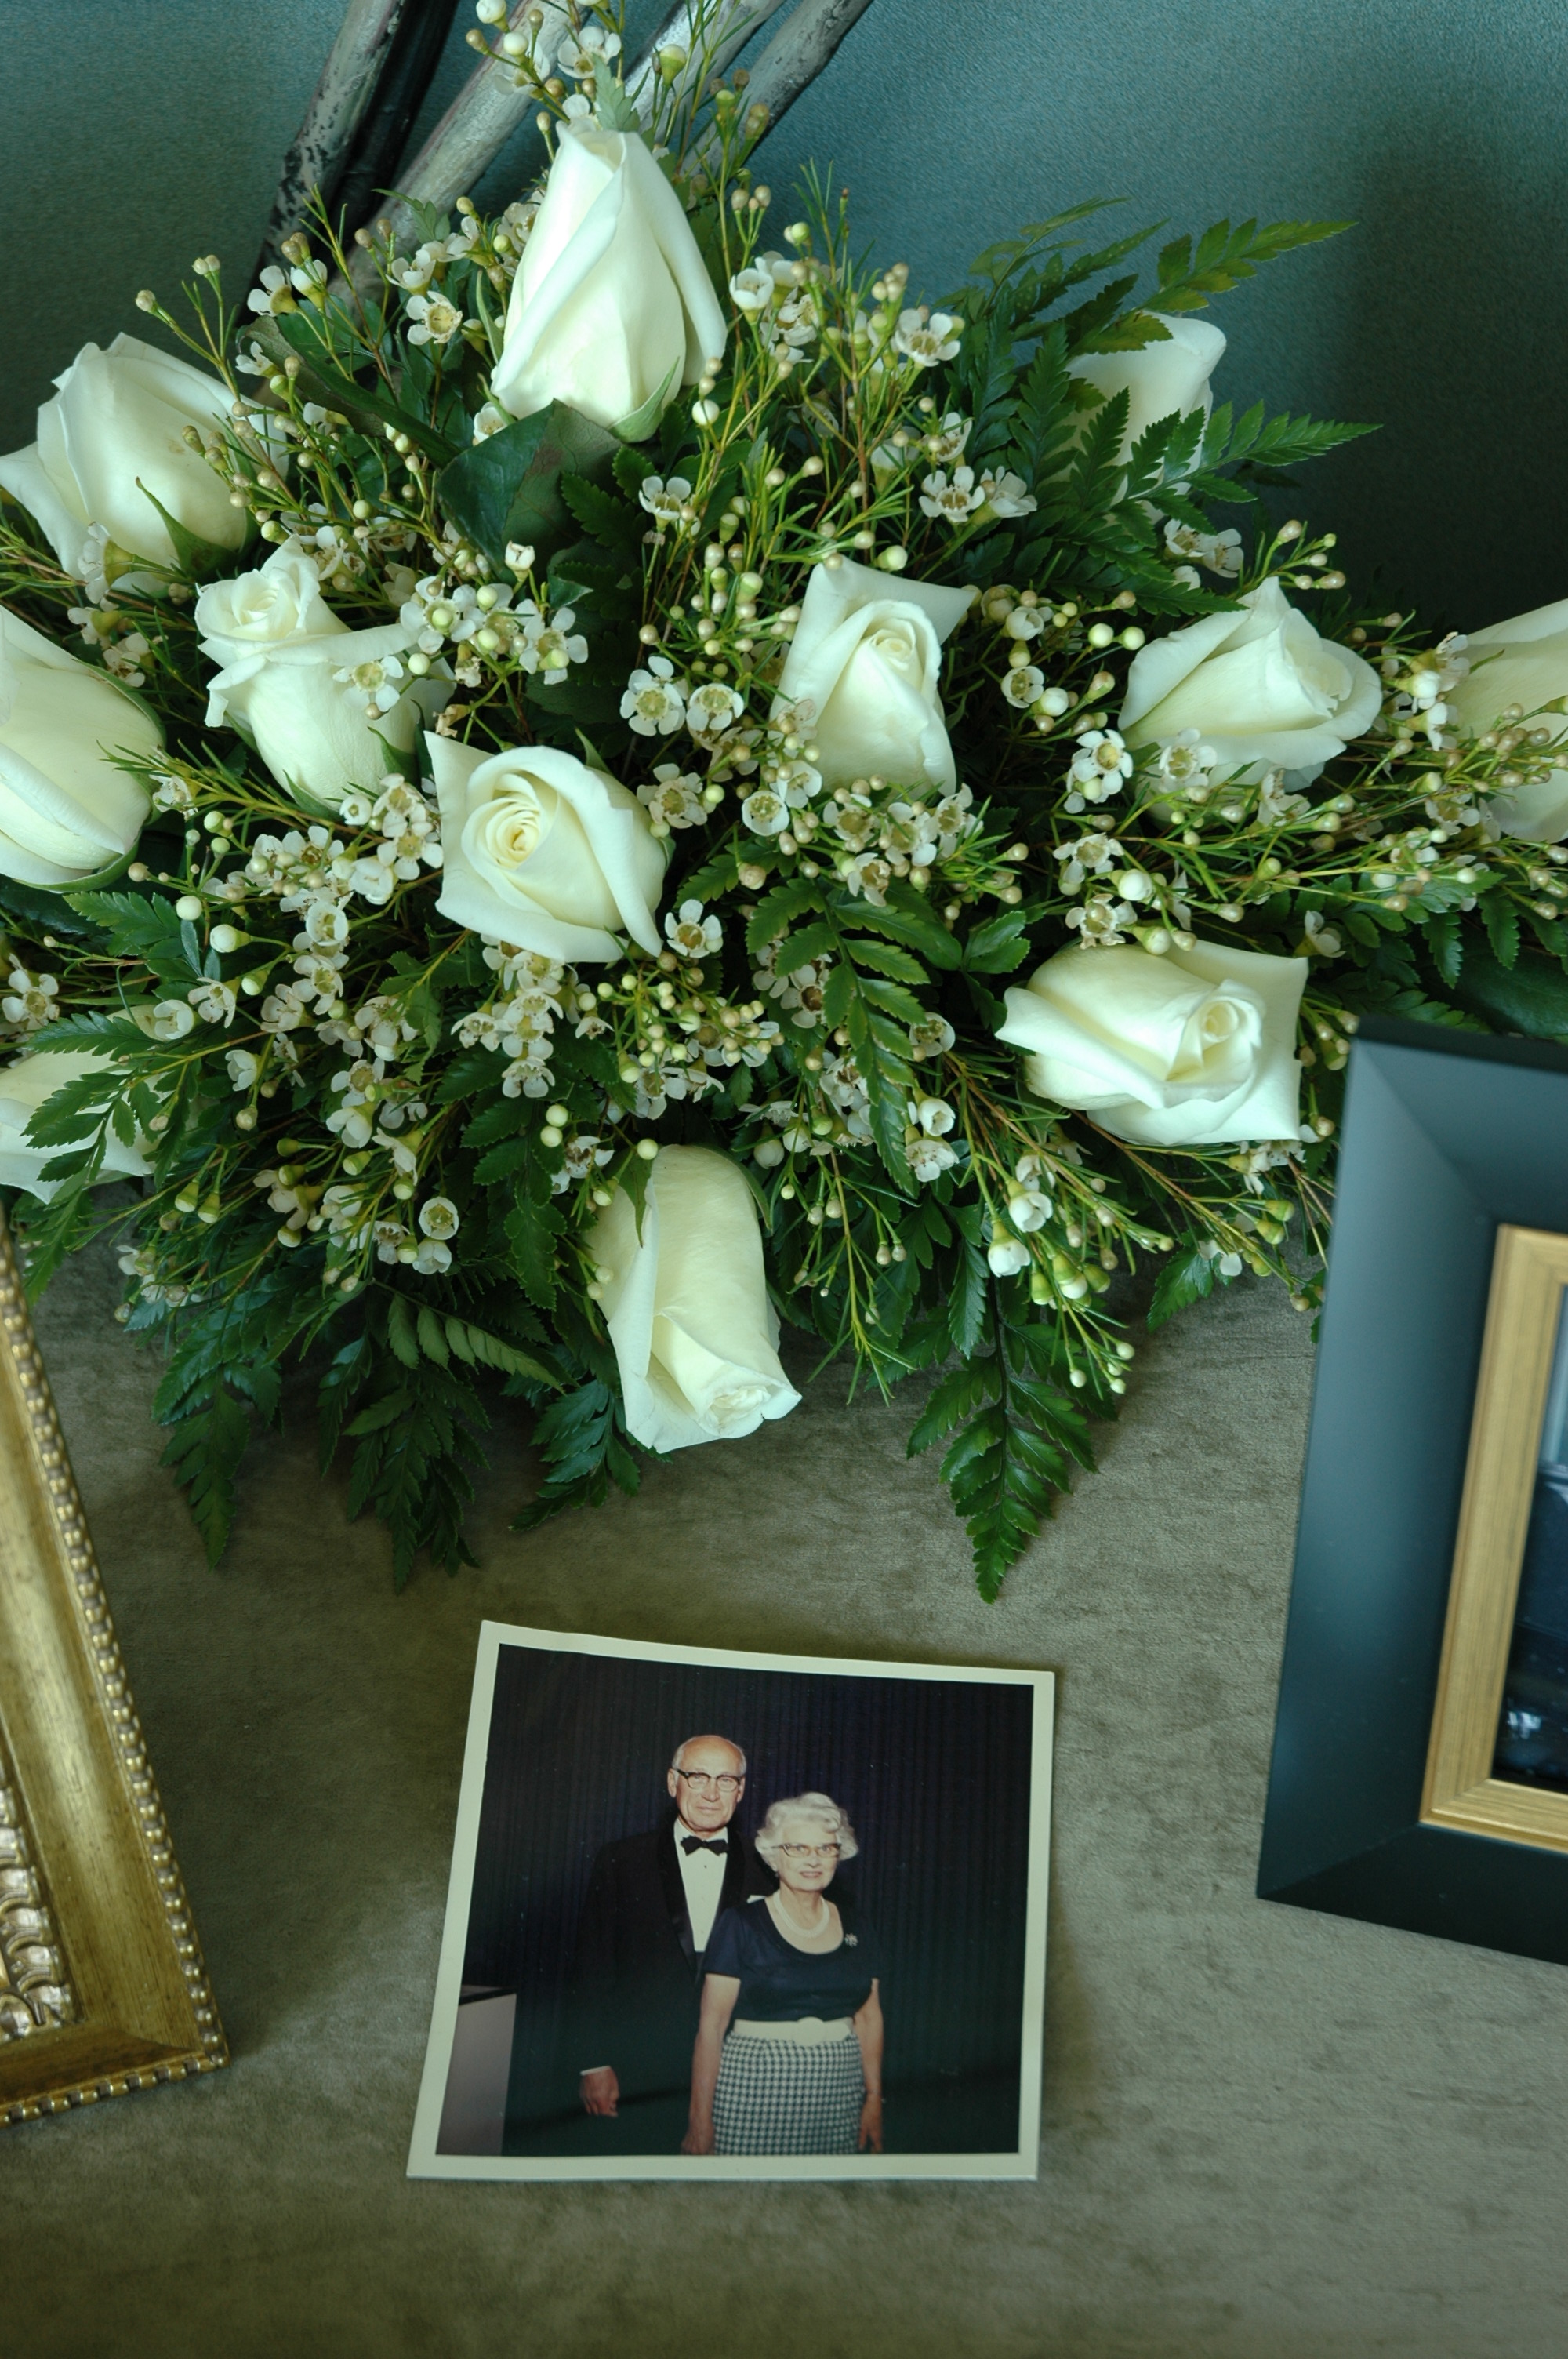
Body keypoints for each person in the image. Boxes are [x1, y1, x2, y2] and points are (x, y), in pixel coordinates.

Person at [567, 1732, 767, 2150]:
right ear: (673, 1781)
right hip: (638, 2069)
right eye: (698, 1777)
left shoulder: (768, 1866)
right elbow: (591, 1964)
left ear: (741, 1790)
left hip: (738, 2072)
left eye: (725, 1780)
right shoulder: (621, 1860)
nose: (711, 1793)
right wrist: (593, 2063)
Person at [682, 1791, 884, 2157]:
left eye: (825, 1848)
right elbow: (711, 2028)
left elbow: (869, 2018)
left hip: (840, 2093)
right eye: (798, 1848)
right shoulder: (740, 1924)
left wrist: (873, 2098)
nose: (813, 1859)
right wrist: (699, 2120)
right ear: (775, 1857)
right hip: (756, 2089)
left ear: (839, 1855)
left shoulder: (858, 1925)